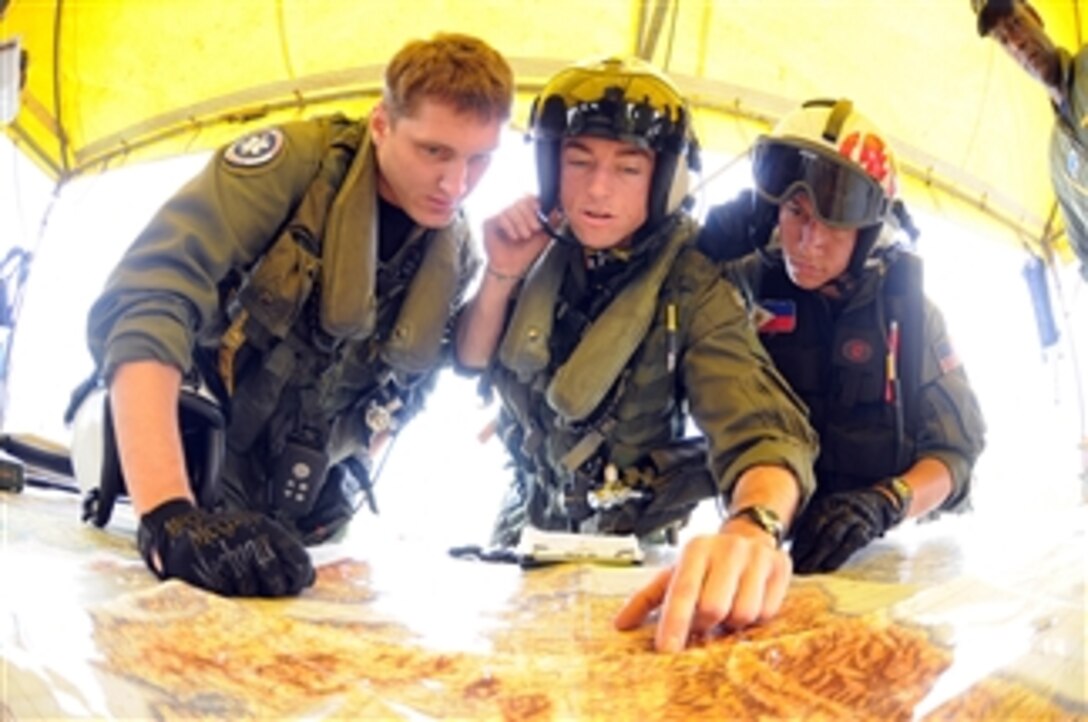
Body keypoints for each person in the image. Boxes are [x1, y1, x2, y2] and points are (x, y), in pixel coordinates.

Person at [73, 33, 514, 597]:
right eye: (434, 152)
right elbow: (149, 296)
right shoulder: (292, 171)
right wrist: (167, 515)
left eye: (480, 160)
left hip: (315, 518)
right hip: (194, 481)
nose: (456, 184)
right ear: (381, 125)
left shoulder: (457, 253)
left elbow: (413, 388)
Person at [455, 56, 819, 653]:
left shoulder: (692, 283)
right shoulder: (537, 250)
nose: (598, 190)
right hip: (521, 529)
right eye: (578, 162)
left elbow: (764, 434)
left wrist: (753, 528)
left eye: (629, 168)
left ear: (665, 179)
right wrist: (500, 272)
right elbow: (470, 360)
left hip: (629, 560)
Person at [697, 98, 987, 575]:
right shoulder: (741, 283)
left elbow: (955, 457)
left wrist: (884, 504)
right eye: (796, 213)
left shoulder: (909, 314)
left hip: (876, 556)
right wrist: (701, 253)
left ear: (869, 232)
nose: (808, 240)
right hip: (761, 543)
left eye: (833, 222)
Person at [972, 0, 1088, 281]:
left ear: (1035, 15)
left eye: (1015, 23)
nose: (1017, 44)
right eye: (1003, 39)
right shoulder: (1057, 158)